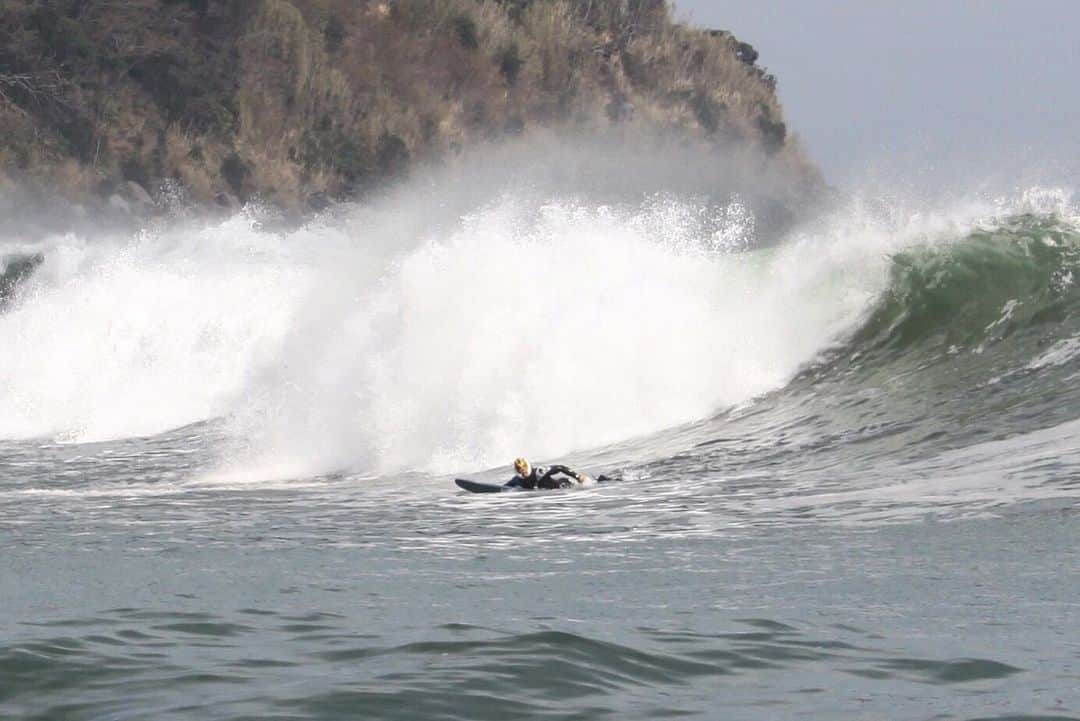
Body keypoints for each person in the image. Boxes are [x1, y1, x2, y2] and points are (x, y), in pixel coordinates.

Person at [505, 457, 588, 490]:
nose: (523, 471)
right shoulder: (517, 480)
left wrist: (577, 477)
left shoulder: (539, 472)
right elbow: (504, 488)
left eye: (524, 468)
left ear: (527, 466)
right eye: (520, 470)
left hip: (564, 485)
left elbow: (560, 467)